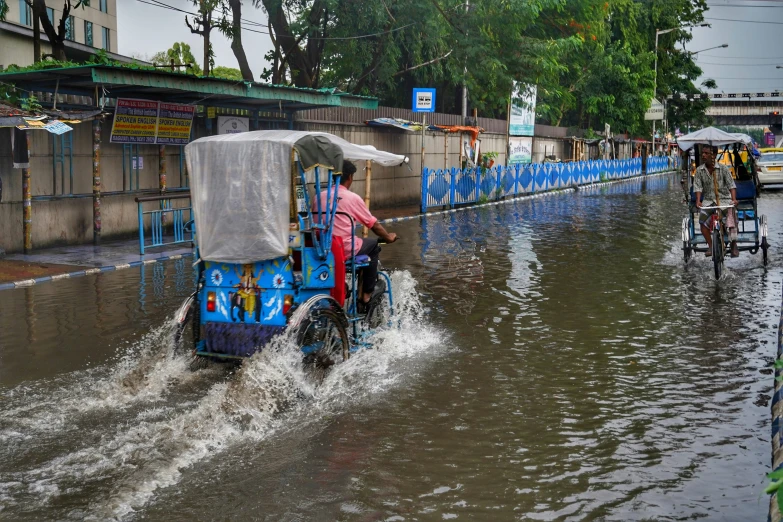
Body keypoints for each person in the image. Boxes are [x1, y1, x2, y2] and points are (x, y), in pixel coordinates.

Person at [316, 160, 397, 311]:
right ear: (350, 177)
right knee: (372, 245)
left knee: (362, 244)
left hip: (320, 248)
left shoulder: (318, 197)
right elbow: (373, 224)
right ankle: (366, 294)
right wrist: (388, 237)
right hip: (342, 249)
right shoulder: (352, 198)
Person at [694, 146, 739, 258]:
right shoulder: (699, 170)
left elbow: (731, 185)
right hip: (708, 202)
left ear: (713, 155)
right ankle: (711, 246)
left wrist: (733, 199)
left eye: (706, 153)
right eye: (702, 153)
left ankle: (733, 244)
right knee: (702, 221)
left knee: (732, 217)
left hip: (723, 200)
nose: (703, 155)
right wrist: (698, 201)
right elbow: (698, 187)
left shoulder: (723, 169)